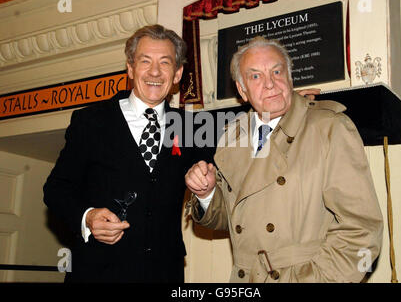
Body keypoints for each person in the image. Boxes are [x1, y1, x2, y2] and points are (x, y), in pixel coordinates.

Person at [185, 36, 383, 283]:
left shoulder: (328, 128)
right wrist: (206, 194)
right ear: (242, 90)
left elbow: (362, 229)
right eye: (255, 76)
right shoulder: (233, 136)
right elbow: (238, 217)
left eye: (277, 71)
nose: (269, 84)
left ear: (290, 78)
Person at [44, 24, 212, 283]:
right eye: (145, 61)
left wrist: (206, 191)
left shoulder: (194, 128)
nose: (155, 71)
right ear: (131, 68)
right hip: (97, 274)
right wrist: (87, 217)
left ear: (177, 74)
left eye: (165, 63)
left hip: (164, 273)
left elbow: (217, 195)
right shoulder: (91, 121)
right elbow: (56, 189)